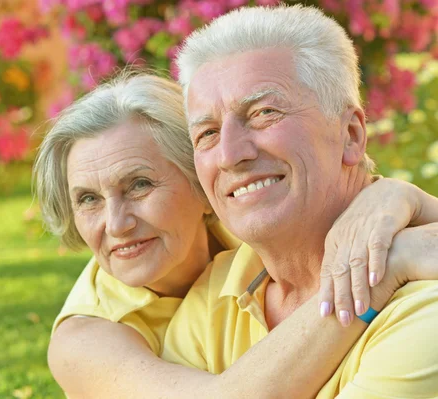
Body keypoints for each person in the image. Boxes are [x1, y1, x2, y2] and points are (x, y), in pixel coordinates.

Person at [36, 71, 438, 398]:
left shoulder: (256, 229)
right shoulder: (84, 341)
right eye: (87, 199)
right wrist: (382, 272)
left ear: (203, 184)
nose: (116, 223)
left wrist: (402, 197)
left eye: (139, 185)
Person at [162, 4, 438, 397]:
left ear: (352, 135)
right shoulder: (215, 295)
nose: (229, 154)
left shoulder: (425, 309)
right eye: (206, 133)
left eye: (264, 112)